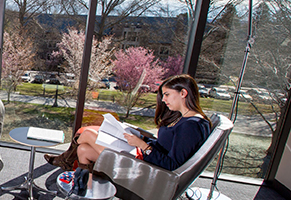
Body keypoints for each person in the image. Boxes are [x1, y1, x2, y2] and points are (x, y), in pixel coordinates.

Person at [47, 74, 211, 172]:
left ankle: (65, 160)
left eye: (167, 94)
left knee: (87, 134)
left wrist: (143, 145)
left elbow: (172, 165)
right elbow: (165, 146)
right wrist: (141, 137)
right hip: (143, 156)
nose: (164, 99)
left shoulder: (191, 126)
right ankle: (85, 189)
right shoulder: (185, 118)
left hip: (147, 167)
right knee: (83, 149)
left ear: (183, 93)